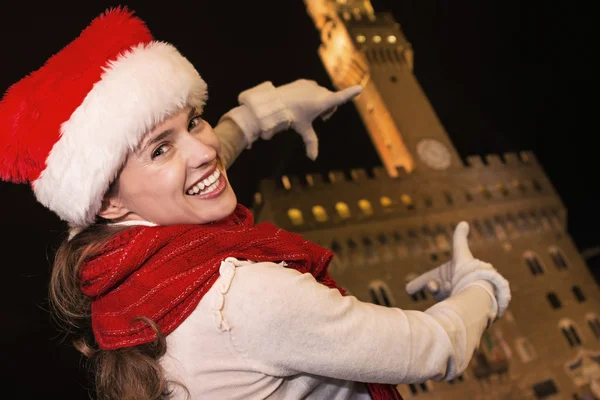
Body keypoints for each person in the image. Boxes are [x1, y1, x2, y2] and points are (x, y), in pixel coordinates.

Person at [0, 7, 511, 400]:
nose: (204, 151)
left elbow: (192, 162)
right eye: (160, 147)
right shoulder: (244, 297)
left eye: (193, 120)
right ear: (107, 200)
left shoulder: (115, 268)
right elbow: (434, 347)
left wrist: (263, 115)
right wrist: (479, 285)